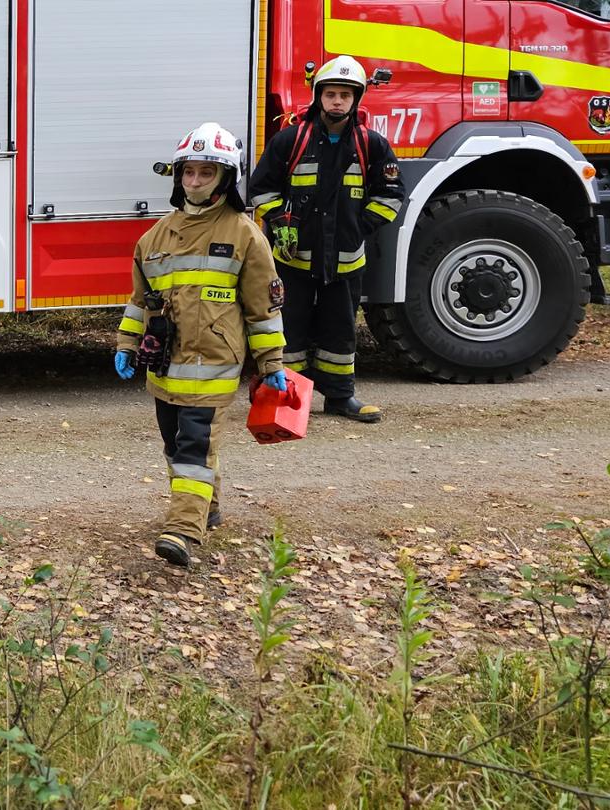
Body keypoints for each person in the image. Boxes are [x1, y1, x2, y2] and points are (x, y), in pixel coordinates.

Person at [116, 123, 287, 567]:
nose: (194, 181)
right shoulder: (154, 238)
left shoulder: (245, 235)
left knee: (194, 446)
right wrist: (127, 343)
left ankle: (182, 530)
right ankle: (206, 506)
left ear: (225, 178)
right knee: (176, 445)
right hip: (165, 366)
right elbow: (140, 301)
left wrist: (271, 362)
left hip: (214, 364)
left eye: (205, 173)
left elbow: (262, 308)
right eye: (188, 172)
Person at [246, 56, 405, 424]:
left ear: (356, 99)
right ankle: (288, 400)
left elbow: (391, 194)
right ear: (319, 96)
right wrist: (279, 219)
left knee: (340, 329)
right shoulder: (292, 139)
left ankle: (340, 397)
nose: (337, 101)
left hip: (346, 260)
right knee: (290, 329)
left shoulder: (372, 144)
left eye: (345, 95)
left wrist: (360, 226)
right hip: (293, 259)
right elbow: (261, 188)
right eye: (331, 94)